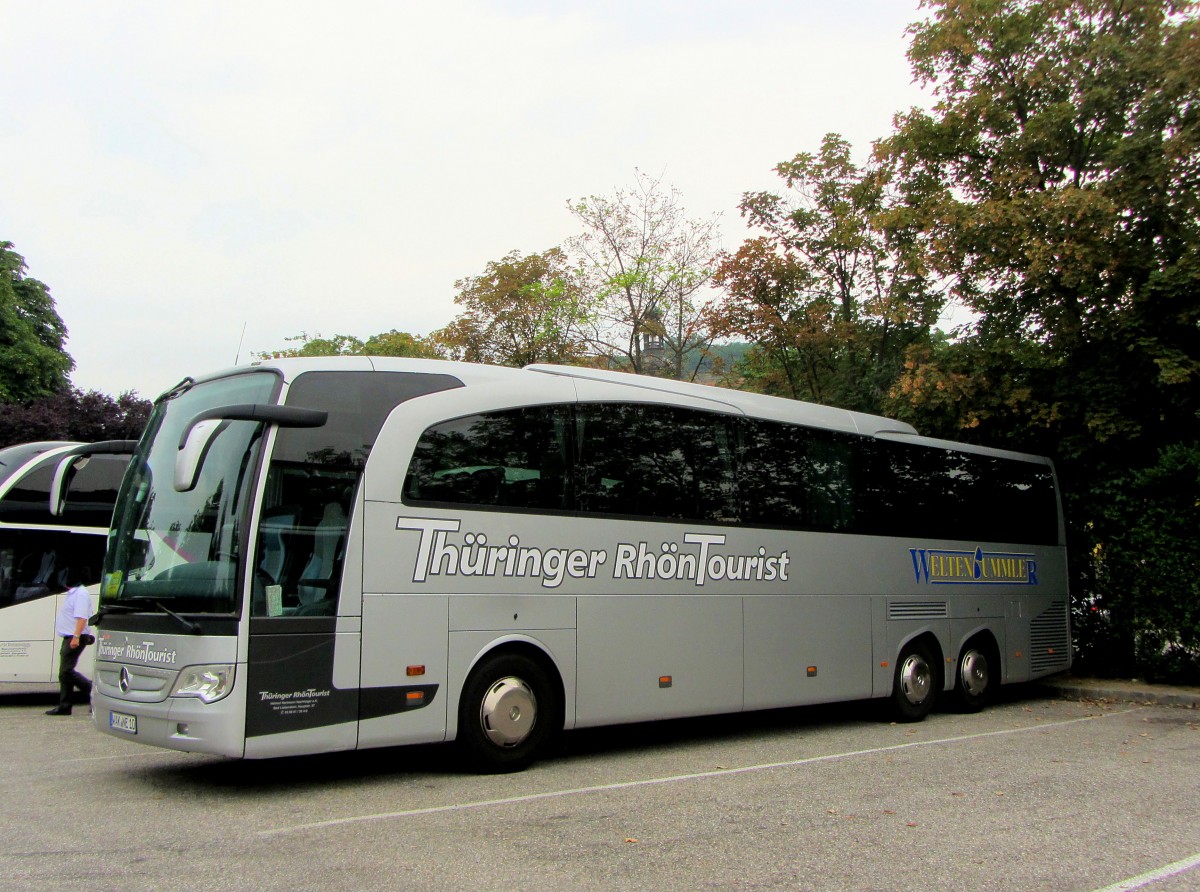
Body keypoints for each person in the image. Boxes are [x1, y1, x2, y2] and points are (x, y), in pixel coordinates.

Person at [45, 567, 94, 716]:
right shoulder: (73, 593)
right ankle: (65, 706)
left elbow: (82, 617)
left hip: (74, 638)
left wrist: (76, 637)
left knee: (66, 672)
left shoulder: (81, 594)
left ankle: (93, 692)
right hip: (70, 637)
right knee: (64, 673)